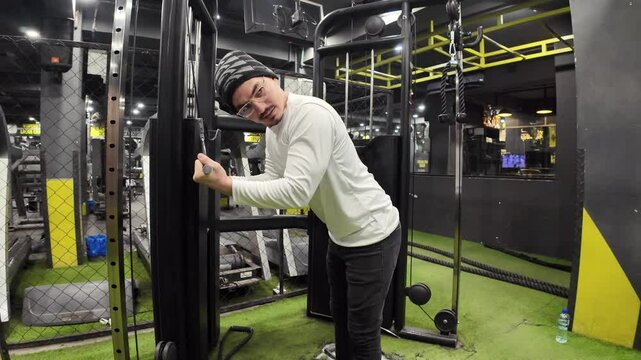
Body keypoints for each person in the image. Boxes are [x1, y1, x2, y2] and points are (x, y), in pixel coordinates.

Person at [193, 50, 400, 360]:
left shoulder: (309, 114)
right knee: (340, 315)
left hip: (373, 235)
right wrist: (229, 182)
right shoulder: (275, 129)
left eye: (258, 91)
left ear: (273, 79)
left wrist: (227, 186)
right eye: (246, 108)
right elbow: (274, 177)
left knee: (362, 330)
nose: (259, 108)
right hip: (341, 236)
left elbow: (296, 194)